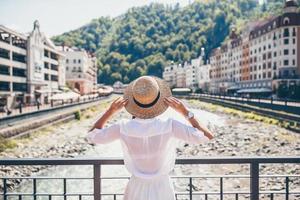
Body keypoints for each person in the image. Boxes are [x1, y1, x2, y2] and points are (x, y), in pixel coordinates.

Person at [87, 76, 214, 200]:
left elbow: (92, 136)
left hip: (136, 188)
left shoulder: (123, 127)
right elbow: (207, 136)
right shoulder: (169, 125)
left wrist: (110, 111)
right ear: (158, 101)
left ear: (132, 102)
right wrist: (185, 112)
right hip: (162, 188)